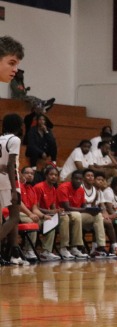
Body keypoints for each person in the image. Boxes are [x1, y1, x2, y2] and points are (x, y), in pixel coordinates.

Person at [33, 165, 85, 260]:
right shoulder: (39, 187)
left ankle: (70, 248)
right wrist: (51, 211)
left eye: (56, 175)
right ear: (46, 175)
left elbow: (53, 206)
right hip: (39, 215)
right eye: (51, 174)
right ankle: (55, 250)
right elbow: (35, 208)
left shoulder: (53, 188)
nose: (53, 177)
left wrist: (57, 211)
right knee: (62, 219)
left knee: (65, 216)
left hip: (48, 214)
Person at [56, 169, 104, 259]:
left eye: (80, 179)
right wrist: (85, 209)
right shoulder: (64, 187)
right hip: (64, 213)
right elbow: (67, 207)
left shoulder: (81, 190)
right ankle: (75, 247)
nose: (78, 181)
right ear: (71, 179)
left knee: (98, 216)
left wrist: (91, 210)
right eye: (76, 178)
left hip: (77, 214)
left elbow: (83, 205)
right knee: (77, 215)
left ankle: (100, 247)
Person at [0, 113, 27, 265]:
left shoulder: (0, 138)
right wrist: (13, 188)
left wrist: (19, 173)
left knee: (10, 219)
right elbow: (10, 164)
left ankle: (13, 252)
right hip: (9, 181)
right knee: (15, 217)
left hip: (1, 177)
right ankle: (13, 252)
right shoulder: (15, 139)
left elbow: (8, 163)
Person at [18, 166, 59, 261]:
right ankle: (28, 250)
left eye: (32, 174)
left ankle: (46, 252)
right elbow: (19, 204)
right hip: (18, 214)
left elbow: (35, 208)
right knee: (32, 222)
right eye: (27, 173)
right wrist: (30, 214)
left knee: (49, 222)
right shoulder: (18, 186)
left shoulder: (32, 189)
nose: (29, 175)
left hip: (29, 214)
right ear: (21, 175)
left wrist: (44, 216)